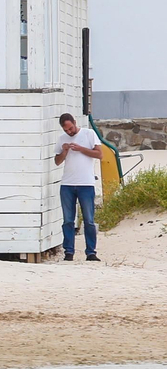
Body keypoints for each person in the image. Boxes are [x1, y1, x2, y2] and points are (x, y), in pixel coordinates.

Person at [55, 112, 103, 262]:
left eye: (70, 128)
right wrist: (65, 151)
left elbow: (99, 154)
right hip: (67, 184)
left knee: (88, 219)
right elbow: (57, 161)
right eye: (66, 130)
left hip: (86, 183)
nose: (69, 132)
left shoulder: (89, 133)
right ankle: (68, 252)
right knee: (68, 220)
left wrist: (81, 148)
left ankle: (91, 252)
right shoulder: (62, 139)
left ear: (75, 122)